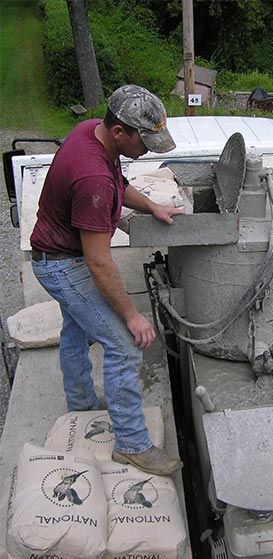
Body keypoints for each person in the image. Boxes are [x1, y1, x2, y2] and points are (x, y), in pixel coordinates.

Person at [30, 85, 184, 475]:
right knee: (124, 345)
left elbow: (120, 185)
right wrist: (132, 316)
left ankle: (81, 404)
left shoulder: (91, 133)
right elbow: (99, 263)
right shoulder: (93, 177)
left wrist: (152, 205)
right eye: (144, 141)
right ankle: (133, 444)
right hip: (63, 265)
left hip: (55, 252)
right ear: (119, 132)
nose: (148, 149)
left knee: (76, 329)